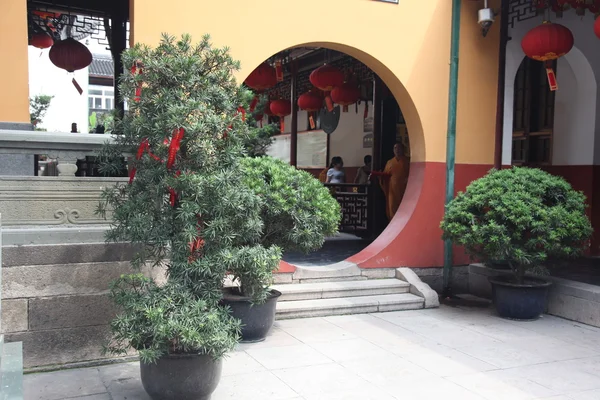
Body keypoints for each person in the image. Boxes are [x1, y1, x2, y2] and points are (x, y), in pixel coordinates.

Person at [371, 142, 409, 221]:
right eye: (395, 148)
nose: (397, 150)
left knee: (404, 209)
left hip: (405, 190)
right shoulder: (390, 162)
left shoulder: (408, 161)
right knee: (392, 208)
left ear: (403, 149)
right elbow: (386, 175)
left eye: (399, 148)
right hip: (392, 190)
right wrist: (380, 176)